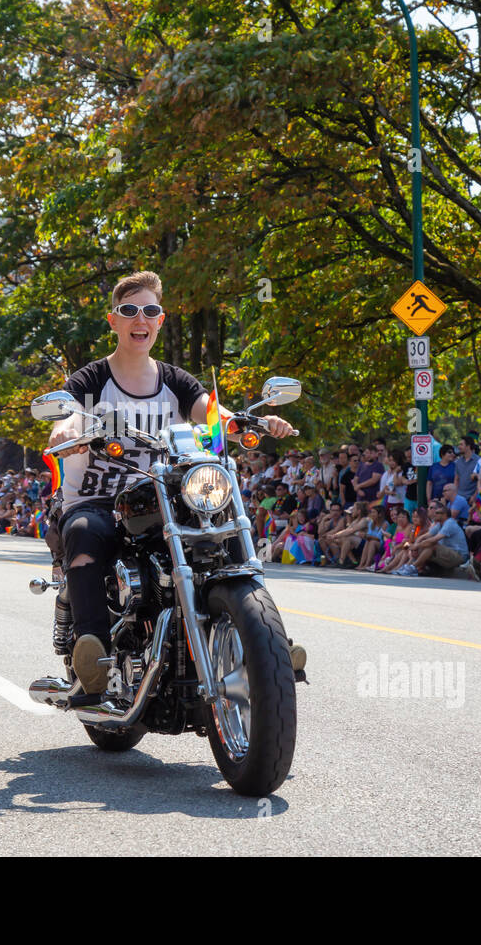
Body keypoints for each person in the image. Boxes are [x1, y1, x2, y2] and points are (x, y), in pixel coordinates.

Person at [46, 271, 300, 694]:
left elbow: (213, 415)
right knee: (85, 532)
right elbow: (69, 413)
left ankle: (268, 643)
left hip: (161, 497)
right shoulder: (91, 380)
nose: (139, 319)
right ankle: (93, 653)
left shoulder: (176, 381)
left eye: (149, 311)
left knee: (219, 533)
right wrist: (65, 432)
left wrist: (252, 421)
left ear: (160, 321)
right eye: (129, 311)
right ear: (114, 321)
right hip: (99, 499)